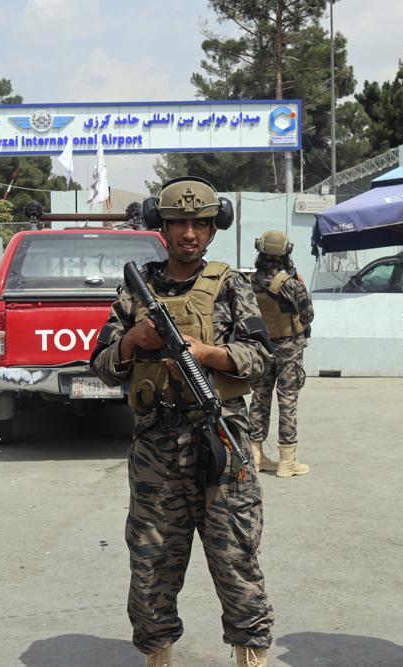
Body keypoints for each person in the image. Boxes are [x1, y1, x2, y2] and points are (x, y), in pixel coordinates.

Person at [90, 177, 275, 667]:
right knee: (151, 567)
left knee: (236, 560)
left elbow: (261, 360)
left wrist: (206, 352)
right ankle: (158, 658)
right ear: (162, 227)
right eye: (178, 223)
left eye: (199, 223)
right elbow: (101, 364)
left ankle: (249, 657)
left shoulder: (233, 285)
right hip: (155, 448)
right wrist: (133, 341)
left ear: (214, 229)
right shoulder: (138, 290)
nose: (189, 233)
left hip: (220, 441)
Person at [247, 230, 315, 477]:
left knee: (260, 398)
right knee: (287, 400)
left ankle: (255, 455)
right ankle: (287, 460)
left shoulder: (250, 283)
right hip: (289, 348)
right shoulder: (291, 284)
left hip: (262, 347)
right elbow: (308, 316)